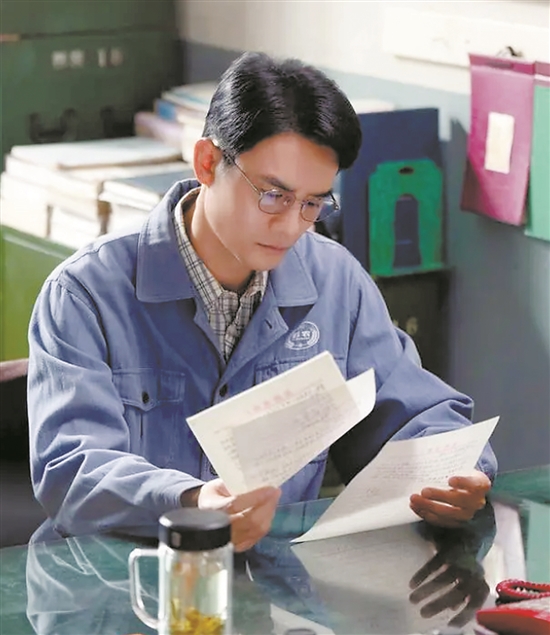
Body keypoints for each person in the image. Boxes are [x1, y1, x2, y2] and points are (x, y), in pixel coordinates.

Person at [27, 52, 496, 551]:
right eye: (273, 196)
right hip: (117, 581)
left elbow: (414, 412)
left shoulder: (336, 282)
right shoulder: (84, 293)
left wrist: (456, 471)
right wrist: (190, 501)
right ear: (208, 163)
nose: (292, 226)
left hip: (269, 581)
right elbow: (71, 469)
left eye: (313, 203)